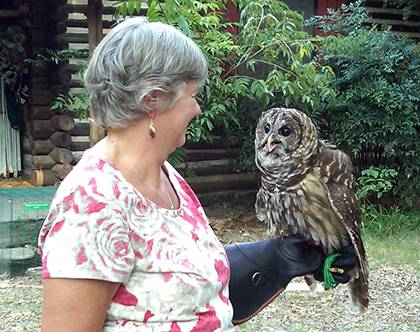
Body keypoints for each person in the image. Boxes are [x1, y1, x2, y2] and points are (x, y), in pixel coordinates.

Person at [38, 17, 357, 332]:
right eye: (192, 95)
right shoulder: (90, 206)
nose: (198, 109)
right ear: (153, 100)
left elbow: (188, 288)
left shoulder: (164, 175)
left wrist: (280, 258)